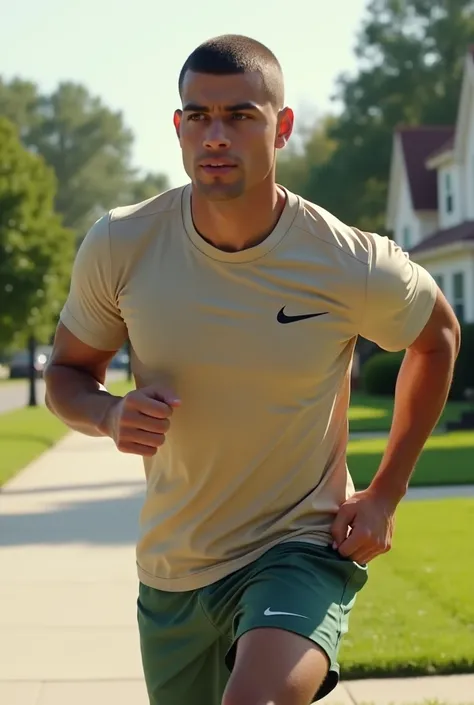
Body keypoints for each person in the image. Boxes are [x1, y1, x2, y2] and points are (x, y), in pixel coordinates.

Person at [43, 33, 460, 705]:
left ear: (282, 127)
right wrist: (108, 413)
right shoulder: (122, 243)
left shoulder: (348, 261)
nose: (216, 134)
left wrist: (386, 491)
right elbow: (66, 372)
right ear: (178, 128)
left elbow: (438, 337)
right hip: (175, 567)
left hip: (298, 546)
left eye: (240, 116)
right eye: (199, 116)